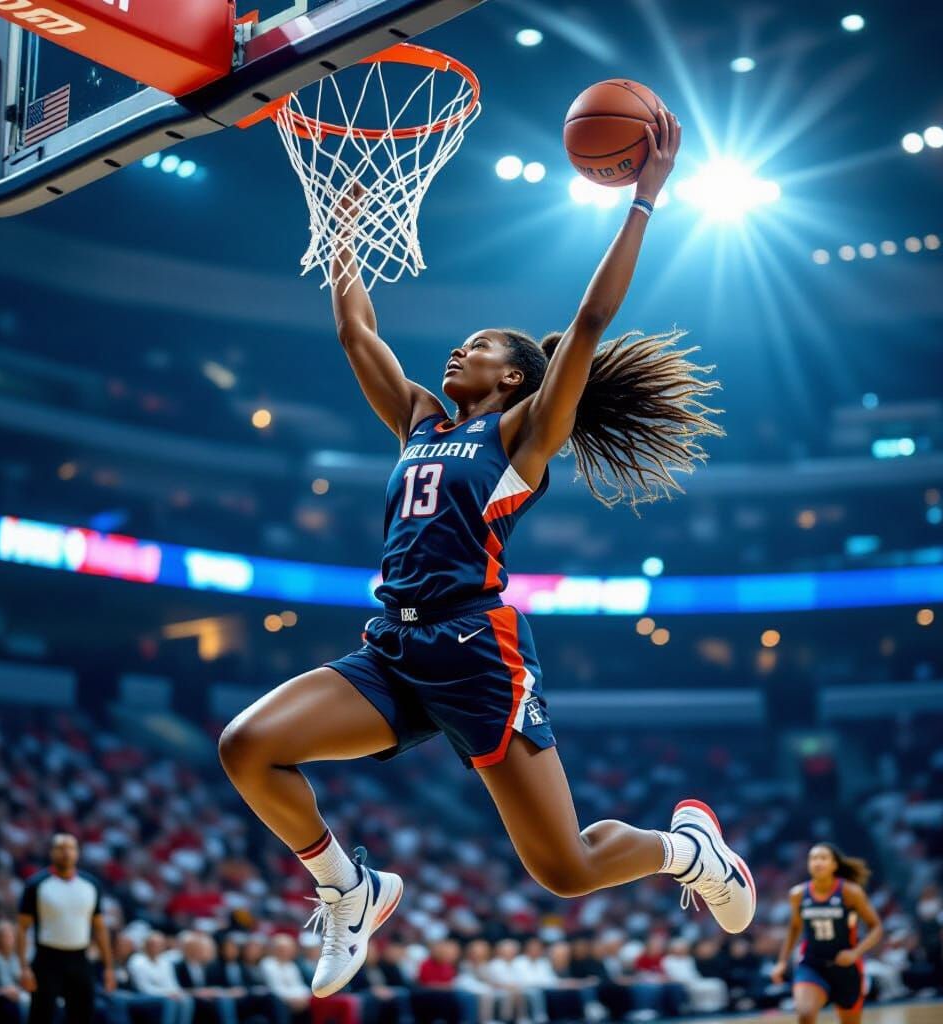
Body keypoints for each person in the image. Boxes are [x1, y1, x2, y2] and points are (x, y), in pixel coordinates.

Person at [219, 100, 754, 1001]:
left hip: (477, 653)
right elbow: (358, 333)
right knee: (247, 747)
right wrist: (343, 231)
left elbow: (584, 325)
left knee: (567, 869)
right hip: (391, 646)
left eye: (480, 347)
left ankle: (685, 849)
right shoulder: (421, 421)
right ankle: (349, 889)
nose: (458, 348)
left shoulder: (522, 439)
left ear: (513, 377)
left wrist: (644, 200)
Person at [771, 843, 884, 1024]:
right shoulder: (798, 894)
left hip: (846, 967)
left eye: (823, 858)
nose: (817, 862)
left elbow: (876, 927)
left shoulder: (850, 892)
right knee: (806, 1014)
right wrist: (782, 962)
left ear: (834, 864)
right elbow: (794, 928)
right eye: (813, 858)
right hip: (812, 964)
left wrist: (855, 953)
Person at [17, 833, 115, 1024]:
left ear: (77, 853)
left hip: (80, 958)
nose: (66, 853)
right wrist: (24, 967)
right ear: (52, 852)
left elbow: (100, 929)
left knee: (83, 1015)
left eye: (70, 848)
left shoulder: (91, 884)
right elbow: (21, 928)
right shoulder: (36, 884)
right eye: (61, 848)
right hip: (46, 959)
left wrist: (109, 967)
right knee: (40, 1015)